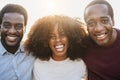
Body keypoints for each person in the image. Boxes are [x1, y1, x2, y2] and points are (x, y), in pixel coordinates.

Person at [25, 15, 88, 80]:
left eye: (62, 35)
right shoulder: (38, 64)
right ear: (45, 40)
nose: (58, 40)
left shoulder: (80, 64)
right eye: (52, 36)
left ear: (71, 37)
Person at [82, 0, 120, 80]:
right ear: (87, 27)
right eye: (91, 23)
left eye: (104, 21)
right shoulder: (82, 44)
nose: (98, 29)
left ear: (112, 21)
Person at [0, 4, 35, 80]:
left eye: (18, 26)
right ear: (0, 26)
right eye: (7, 25)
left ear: (25, 28)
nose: (12, 31)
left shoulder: (32, 50)